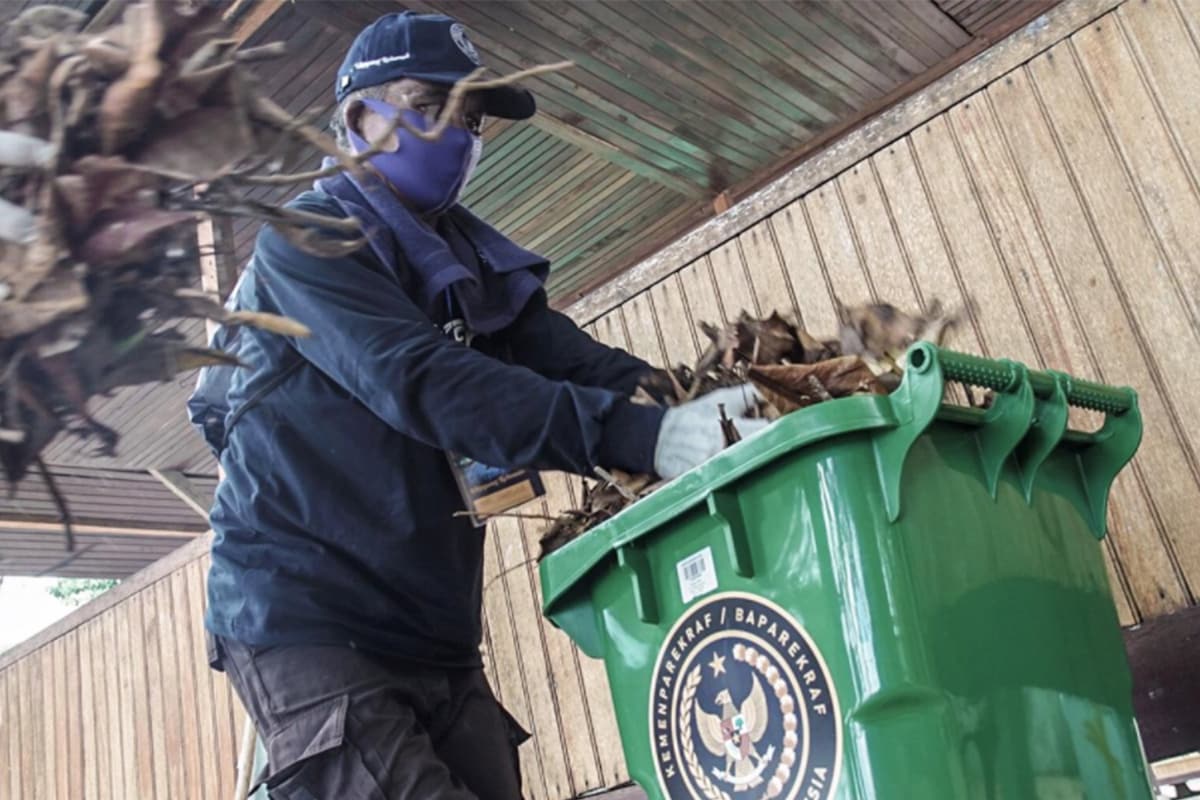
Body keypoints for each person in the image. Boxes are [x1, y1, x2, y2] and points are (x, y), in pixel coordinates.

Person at [188, 11, 765, 800]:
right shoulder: (306, 242)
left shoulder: (463, 257)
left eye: (469, 119)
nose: (457, 135)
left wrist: (709, 406)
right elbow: (418, 378)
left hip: (435, 628)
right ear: (358, 120)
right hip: (309, 620)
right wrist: (643, 437)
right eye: (429, 107)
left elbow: (575, 362)